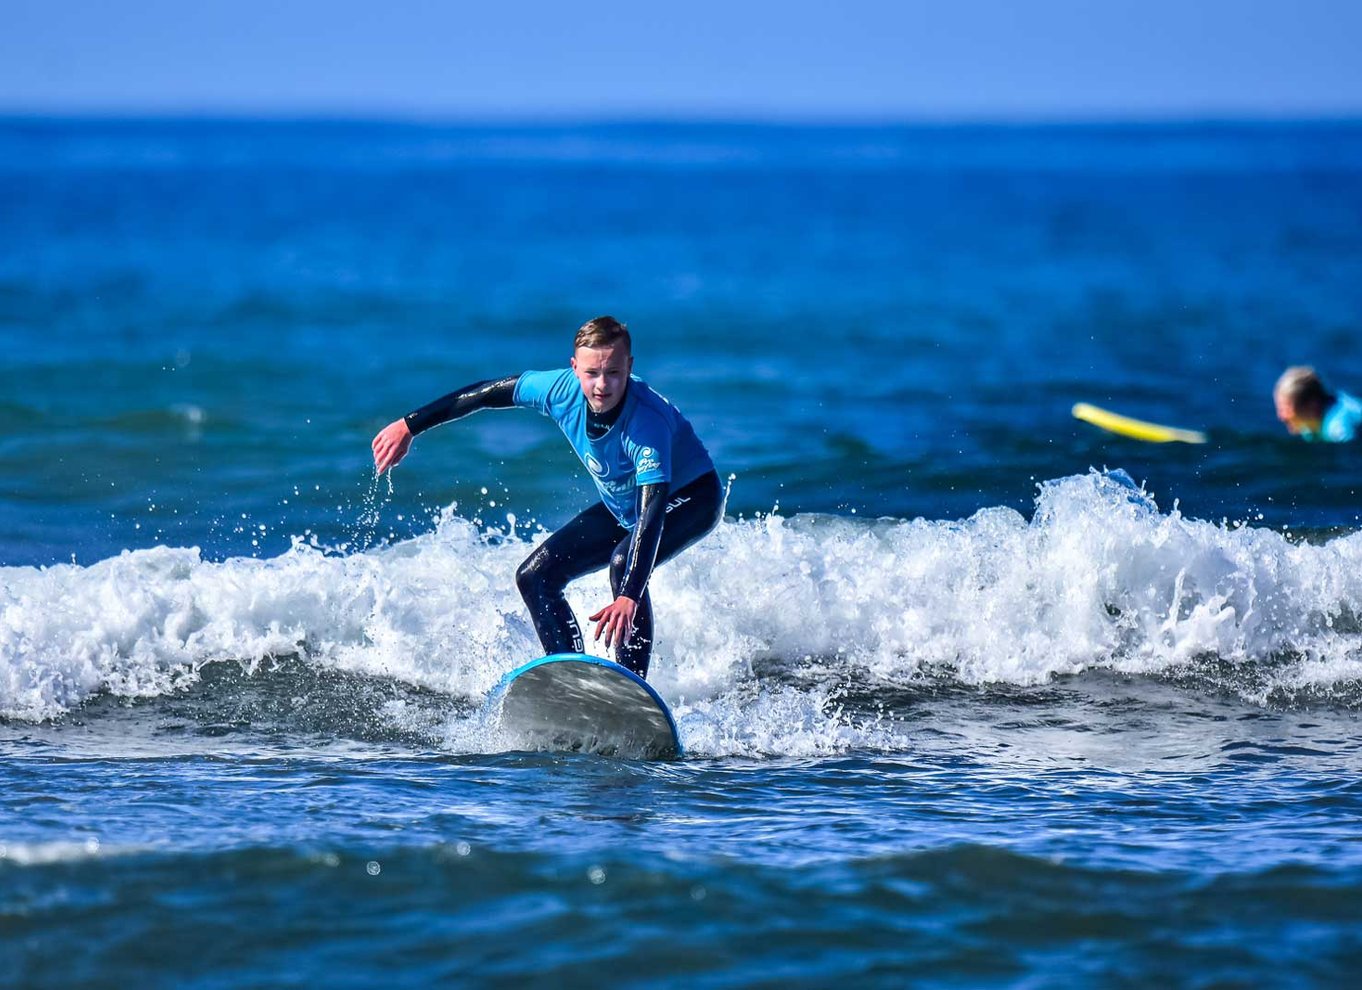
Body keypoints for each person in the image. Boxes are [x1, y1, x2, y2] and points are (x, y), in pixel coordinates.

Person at [371, 316, 722, 679]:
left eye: (614, 373)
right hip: (626, 504)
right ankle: (573, 679)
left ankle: (631, 688)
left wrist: (629, 596)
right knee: (535, 576)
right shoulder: (558, 390)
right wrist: (410, 425)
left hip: (691, 496)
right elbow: (486, 393)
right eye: (592, 373)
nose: (602, 385)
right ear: (574, 369)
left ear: (629, 367)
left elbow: (652, 513)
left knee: (623, 563)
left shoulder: (646, 423)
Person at [1273, 366, 1361, 443]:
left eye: (1286, 409)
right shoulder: (1309, 428)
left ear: (1312, 405)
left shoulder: (1338, 428)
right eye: (1279, 408)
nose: (1281, 417)